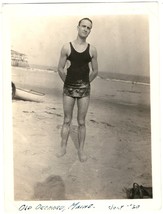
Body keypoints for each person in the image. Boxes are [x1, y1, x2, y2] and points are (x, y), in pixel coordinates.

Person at [57, 17, 98, 162]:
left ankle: (81, 150)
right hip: (68, 88)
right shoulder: (66, 47)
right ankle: (63, 146)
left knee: (81, 122)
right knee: (67, 120)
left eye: (88, 28)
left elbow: (95, 71)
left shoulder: (92, 50)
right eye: (83, 26)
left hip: (84, 91)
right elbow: (60, 69)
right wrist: (68, 83)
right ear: (78, 27)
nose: (85, 29)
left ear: (90, 31)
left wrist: (85, 84)